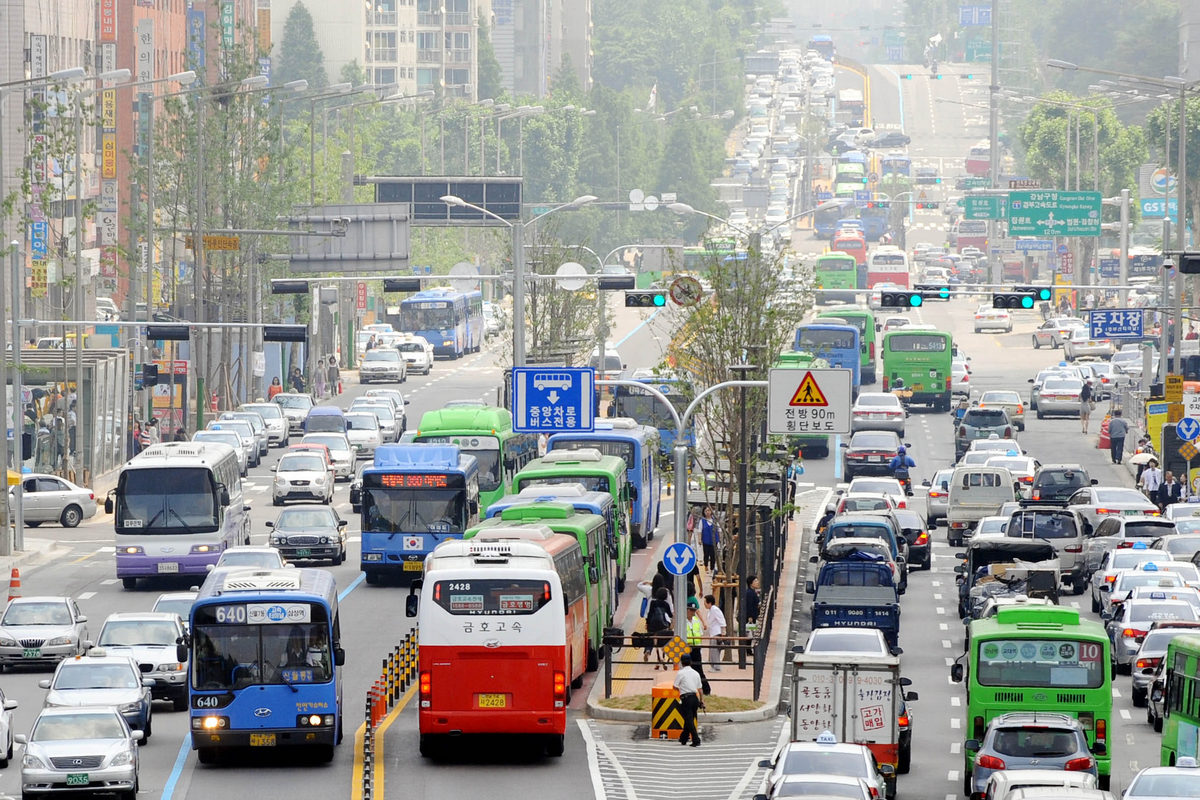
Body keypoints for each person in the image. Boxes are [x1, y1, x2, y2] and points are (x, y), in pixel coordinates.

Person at [673, 653, 704, 747]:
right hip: (695, 698)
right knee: (689, 719)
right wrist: (701, 701)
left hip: (686, 698)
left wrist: (681, 689)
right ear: (691, 662)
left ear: (681, 663)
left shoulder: (680, 673)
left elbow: (675, 686)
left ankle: (696, 739)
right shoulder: (696, 673)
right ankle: (683, 738)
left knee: (689, 720)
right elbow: (700, 689)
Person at [644, 586, 672, 669]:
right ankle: (662, 658)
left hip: (652, 626)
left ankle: (648, 651)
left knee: (651, 639)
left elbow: (649, 614)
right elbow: (670, 615)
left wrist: (647, 623)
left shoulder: (653, 603)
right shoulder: (666, 604)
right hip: (663, 625)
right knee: (662, 641)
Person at [703, 594, 726, 671]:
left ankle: (716, 667)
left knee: (715, 650)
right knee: (713, 650)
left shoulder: (714, 609)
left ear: (709, 603)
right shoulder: (711, 610)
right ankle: (713, 665)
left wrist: (723, 633)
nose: (704, 604)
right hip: (713, 633)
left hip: (716, 633)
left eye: (705, 602)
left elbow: (722, 621)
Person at [698, 506, 720, 572]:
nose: (708, 512)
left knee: (713, 555)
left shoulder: (715, 520)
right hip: (706, 541)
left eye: (709, 510)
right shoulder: (702, 521)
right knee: (706, 554)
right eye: (706, 511)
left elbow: (719, 530)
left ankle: (712, 568)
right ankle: (706, 566)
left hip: (714, 541)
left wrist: (719, 539)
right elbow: (700, 531)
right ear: (704, 512)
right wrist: (699, 539)